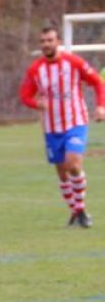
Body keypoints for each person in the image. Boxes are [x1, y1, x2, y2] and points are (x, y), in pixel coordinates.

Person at [19, 26, 105, 227]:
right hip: (51, 128)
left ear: (58, 42)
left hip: (76, 122)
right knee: (62, 172)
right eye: (43, 41)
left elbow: (98, 83)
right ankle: (76, 213)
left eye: (50, 40)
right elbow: (24, 95)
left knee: (73, 164)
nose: (46, 44)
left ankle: (81, 210)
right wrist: (37, 104)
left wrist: (101, 106)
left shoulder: (74, 63)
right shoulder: (35, 69)